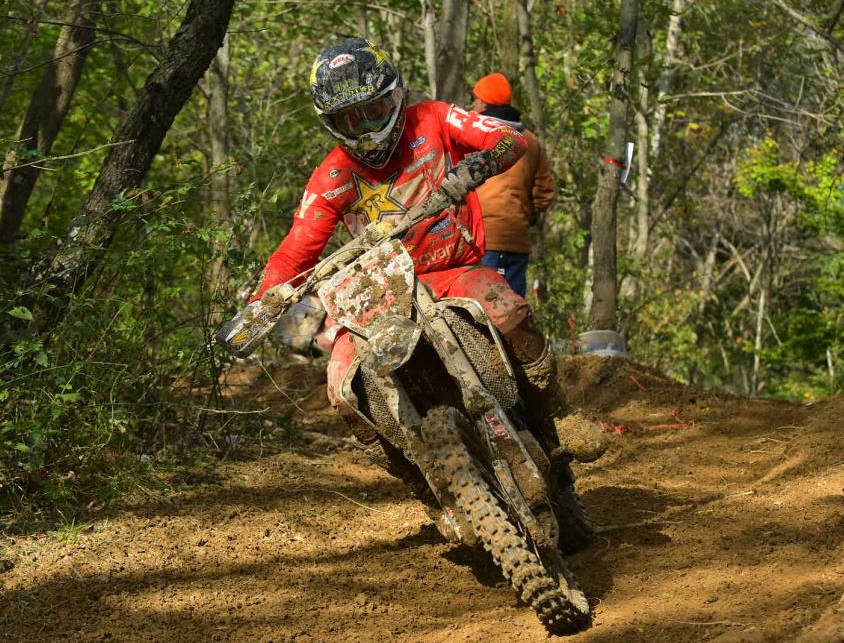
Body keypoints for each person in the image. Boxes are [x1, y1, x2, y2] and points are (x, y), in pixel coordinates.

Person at [242, 38, 601, 486]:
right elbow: (295, 251)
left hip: (453, 269)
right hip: (381, 295)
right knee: (341, 388)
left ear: (394, 96)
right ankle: (419, 480)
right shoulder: (332, 176)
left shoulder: (433, 118)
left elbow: (510, 138)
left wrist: (478, 165)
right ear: (330, 123)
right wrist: (262, 304)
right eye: (349, 119)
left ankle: (557, 416)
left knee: (509, 312)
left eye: (372, 111)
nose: (365, 128)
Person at [470, 72, 555, 298]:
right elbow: (545, 191)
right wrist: (525, 216)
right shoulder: (530, 140)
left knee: (483, 307)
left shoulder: (475, 137)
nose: (472, 105)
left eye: (475, 99)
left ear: (484, 104)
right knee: (514, 306)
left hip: (482, 239)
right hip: (518, 240)